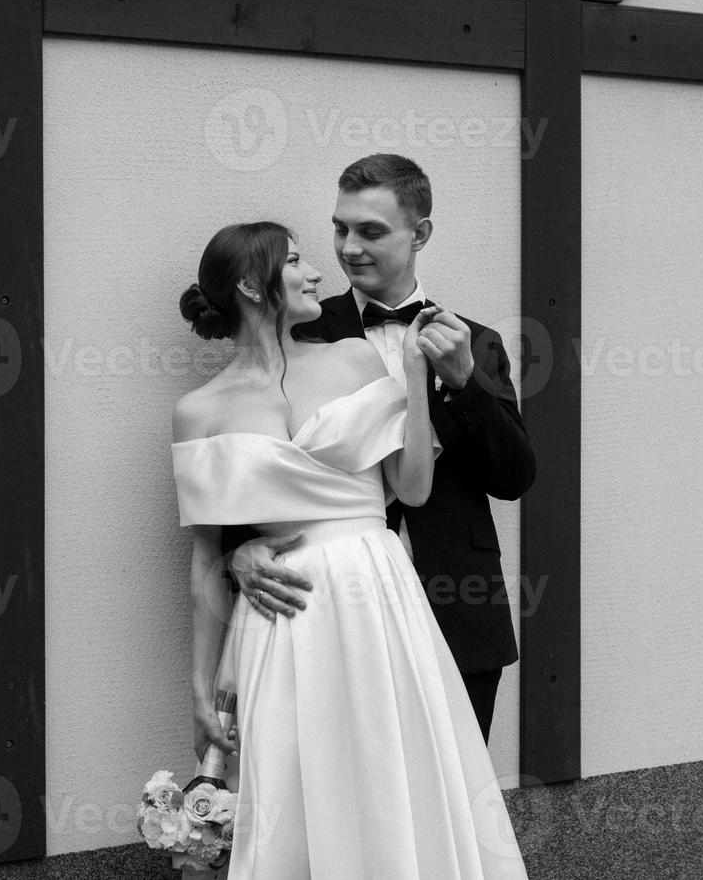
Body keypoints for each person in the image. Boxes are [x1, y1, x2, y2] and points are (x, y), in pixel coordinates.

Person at [173, 220, 528, 878]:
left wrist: (418, 379)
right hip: (281, 619)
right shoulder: (199, 411)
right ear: (252, 284)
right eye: (298, 261)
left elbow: (414, 490)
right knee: (297, 787)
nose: (317, 272)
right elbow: (205, 558)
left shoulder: (356, 360)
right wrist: (198, 688)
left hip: (379, 599)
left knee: (394, 774)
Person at [226, 154, 535, 741]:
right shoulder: (300, 330)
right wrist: (239, 552)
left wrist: (466, 382)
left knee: (458, 808)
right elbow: (255, 462)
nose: (347, 247)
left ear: (419, 235)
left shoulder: (478, 341)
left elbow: (514, 478)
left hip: (457, 609)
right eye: (340, 228)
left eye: (370, 231)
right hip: (332, 615)